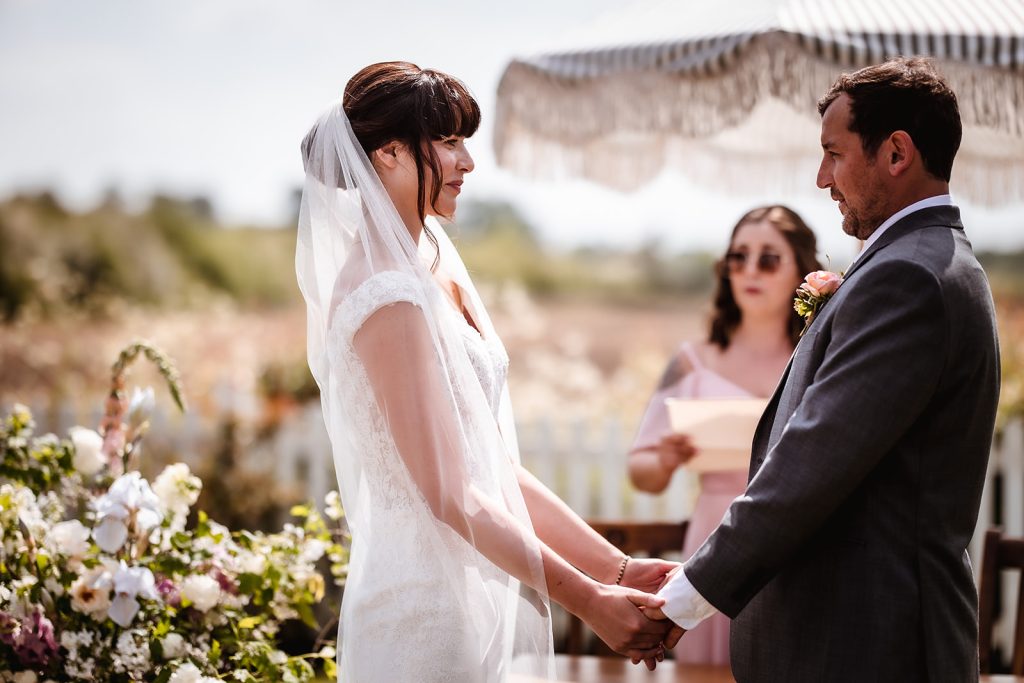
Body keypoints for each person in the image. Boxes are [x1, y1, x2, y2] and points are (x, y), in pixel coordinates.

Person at [295, 62, 678, 683]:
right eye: (447, 141)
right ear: (388, 153)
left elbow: (492, 467)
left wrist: (617, 569)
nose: (467, 161)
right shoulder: (383, 291)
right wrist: (588, 602)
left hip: (476, 585)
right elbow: (451, 492)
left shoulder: (431, 265)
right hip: (424, 608)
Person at [650, 57, 1001, 681]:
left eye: (834, 154)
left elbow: (810, 464)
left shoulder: (907, 278)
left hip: (867, 648)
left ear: (896, 153)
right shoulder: (920, 263)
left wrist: (680, 601)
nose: (821, 178)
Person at [627, 204, 821, 664]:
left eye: (768, 258)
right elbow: (642, 472)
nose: (750, 270)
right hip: (712, 542)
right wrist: (668, 458)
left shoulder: (821, 358)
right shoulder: (693, 360)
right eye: (739, 257)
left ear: (801, 269)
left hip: (799, 547)